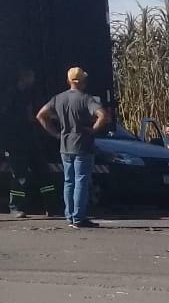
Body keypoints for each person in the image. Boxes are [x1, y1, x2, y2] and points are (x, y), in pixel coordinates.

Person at [36, 67, 108, 229]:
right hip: (82, 144)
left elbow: (41, 115)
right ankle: (79, 217)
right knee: (81, 180)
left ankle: (70, 215)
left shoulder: (58, 98)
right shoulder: (86, 99)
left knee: (68, 181)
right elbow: (103, 115)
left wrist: (55, 133)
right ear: (83, 81)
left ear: (68, 80)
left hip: (65, 145)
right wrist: (93, 130)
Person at [1, 68, 56, 218]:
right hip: (16, 142)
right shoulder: (11, 95)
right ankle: (15, 207)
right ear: (24, 78)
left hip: (32, 140)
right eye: (31, 77)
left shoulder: (31, 94)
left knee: (44, 172)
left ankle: (51, 207)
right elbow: (6, 116)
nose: (33, 80)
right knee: (19, 175)